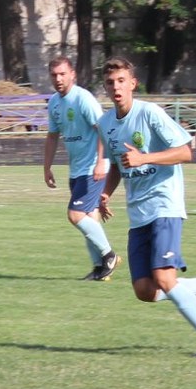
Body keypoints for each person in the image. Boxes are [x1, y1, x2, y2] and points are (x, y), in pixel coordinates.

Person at [95, 57, 196, 358]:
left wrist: (145, 158)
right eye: (110, 82)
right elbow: (119, 163)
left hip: (165, 204)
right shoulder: (106, 124)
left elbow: (185, 151)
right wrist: (106, 193)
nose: (116, 87)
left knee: (165, 279)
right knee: (145, 290)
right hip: (138, 213)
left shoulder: (150, 113)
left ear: (133, 83)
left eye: (121, 81)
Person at [39, 55, 117, 280]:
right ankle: (99, 270)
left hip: (93, 167)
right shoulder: (54, 102)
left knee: (75, 215)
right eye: (54, 75)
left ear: (73, 74)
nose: (58, 79)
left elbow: (102, 128)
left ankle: (108, 255)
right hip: (76, 170)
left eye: (63, 74)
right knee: (89, 219)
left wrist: (102, 161)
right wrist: (47, 168)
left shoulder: (83, 98)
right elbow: (52, 136)